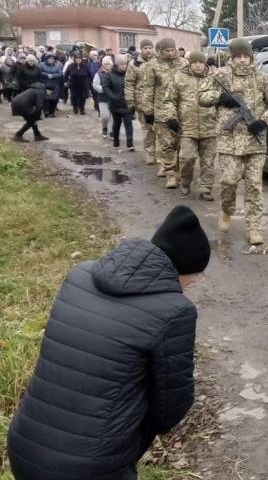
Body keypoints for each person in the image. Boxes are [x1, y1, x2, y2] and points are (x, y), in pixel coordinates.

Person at [6, 205, 210, 480]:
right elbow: (171, 405)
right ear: (183, 268)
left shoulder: (80, 275)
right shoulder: (174, 311)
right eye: (195, 276)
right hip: (92, 467)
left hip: (25, 446)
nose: (192, 283)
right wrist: (129, 440)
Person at [198, 38, 268, 245]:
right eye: (238, 56)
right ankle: (227, 210)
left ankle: (254, 227)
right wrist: (220, 97)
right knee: (229, 181)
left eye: (245, 56)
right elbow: (201, 96)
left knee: (254, 186)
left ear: (251, 57)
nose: (242, 60)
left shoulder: (263, 79)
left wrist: (264, 121)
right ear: (232, 57)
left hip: (255, 142)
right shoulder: (220, 76)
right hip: (229, 141)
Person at [165, 50, 217, 200]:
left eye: (201, 62)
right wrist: (171, 117)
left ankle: (206, 188)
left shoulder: (214, 78)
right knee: (186, 157)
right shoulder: (179, 78)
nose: (198, 66)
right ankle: (186, 181)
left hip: (209, 126)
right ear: (190, 63)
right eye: (195, 63)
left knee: (208, 161)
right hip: (188, 126)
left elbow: (221, 99)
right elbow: (169, 100)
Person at [141, 38, 188, 188]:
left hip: (182, 110)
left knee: (181, 144)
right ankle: (170, 174)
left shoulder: (183, 64)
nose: (170, 53)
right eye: (167, 51)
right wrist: (148, 111)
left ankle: (179, 170)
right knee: (166, 144)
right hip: (161, 110)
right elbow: (148, 89)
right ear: (160, 51)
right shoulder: (152, 66)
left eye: (172, 50)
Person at [125, 39, 157, 164]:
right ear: (141, 49)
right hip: (141, 101)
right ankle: (150, 153)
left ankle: (160, 154)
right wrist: (130, 102)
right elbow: (129, 83)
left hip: (158, 100)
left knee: (159, 129)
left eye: (150, 47)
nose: (148, 50)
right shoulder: (134, 64)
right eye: (145, 48)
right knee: (147, 128)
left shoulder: (158, 62)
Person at [103, 54, 136, 150]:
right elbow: (105, 87)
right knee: (116, 124)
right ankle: (116, 140)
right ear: (116, 64)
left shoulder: (129, 74)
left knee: (128, 124)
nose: (124, 66)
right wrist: (112, 97)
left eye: (125, 63)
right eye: (122, 64)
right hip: (115, 104)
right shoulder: (109, 74)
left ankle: (130, 143)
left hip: (127, 103)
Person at [93, 55, 114, 138]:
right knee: (105, 116)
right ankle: (104, 128)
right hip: (103, 98)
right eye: (105, 64)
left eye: (108, 64)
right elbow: (95, 85)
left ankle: (112, 131)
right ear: (102, 65)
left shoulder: (114, 73)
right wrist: (104, 89)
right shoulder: (98, 74)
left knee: (113, 117)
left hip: (113, 98)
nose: (107, 65)